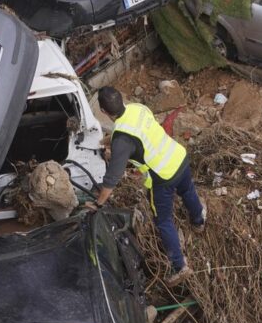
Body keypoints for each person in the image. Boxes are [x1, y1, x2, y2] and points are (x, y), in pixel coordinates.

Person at [87, 86, 206, 285]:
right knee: (188, 191)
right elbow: (139, 131)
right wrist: (110, 141)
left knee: (163, 221)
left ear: (103, 112)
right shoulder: (137, 108)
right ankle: (198, 222)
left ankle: (179, 266)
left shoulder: (122, 140)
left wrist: (98, 204)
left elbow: (112, 178)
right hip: (179, 157)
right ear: (121, 100)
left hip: (163, 177)